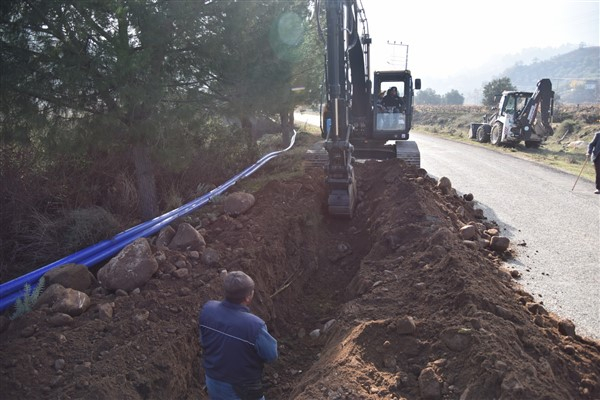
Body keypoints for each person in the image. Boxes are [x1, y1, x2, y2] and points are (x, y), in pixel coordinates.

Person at [199, 271, 278, 400]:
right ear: (248, 297)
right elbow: (271, 355)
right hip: (242, 387)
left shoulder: (208, 310)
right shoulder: (254, 325)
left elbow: (204, 340)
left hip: (213, 380)